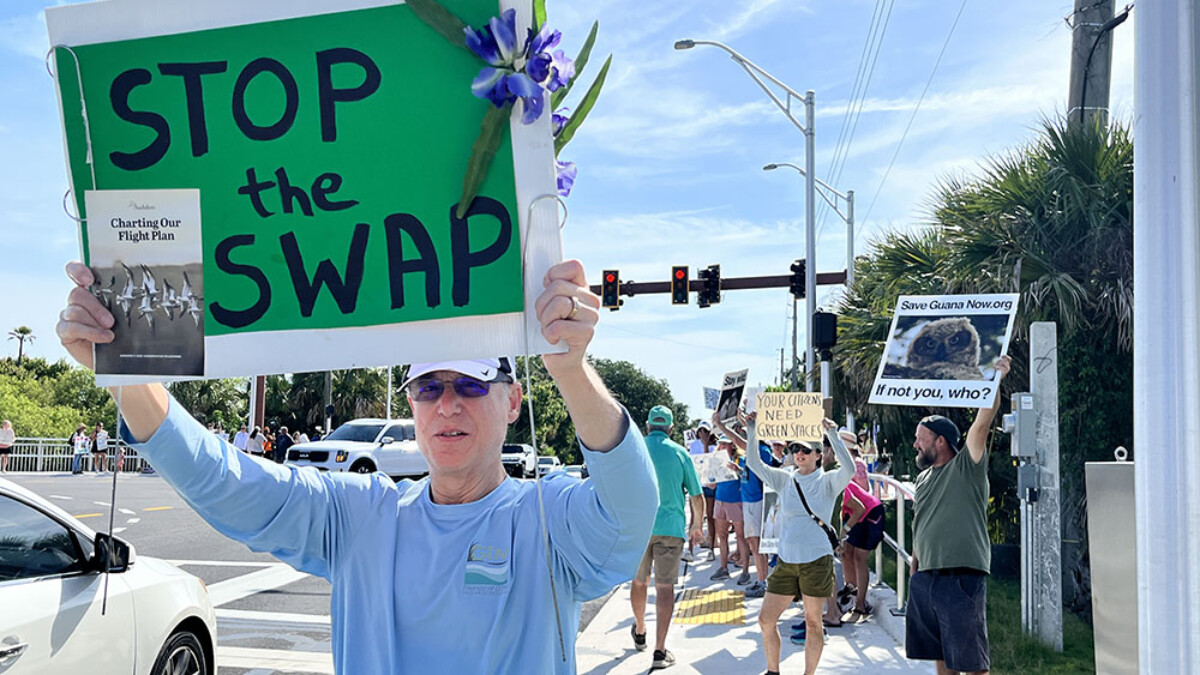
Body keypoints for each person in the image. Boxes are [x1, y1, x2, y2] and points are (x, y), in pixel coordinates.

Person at [56, 258, 657, 673]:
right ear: (412, 404)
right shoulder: (360, 514)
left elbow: (631, 511)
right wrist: (125, 371)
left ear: (512, 399)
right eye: (428, 387)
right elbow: (225, 481)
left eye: (470, 386)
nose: (447, 403)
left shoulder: (550, 517)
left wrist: (571, 368)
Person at [906, 355, 1011, 675]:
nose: (914, 445)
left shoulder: (967, 466)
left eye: (919, 438)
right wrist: (914, 569)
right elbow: (921, 525)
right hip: (926, 578)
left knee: (972, 664)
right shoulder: (923, 478)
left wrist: (996, 378)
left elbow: (982, 423)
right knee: (942, 658)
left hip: (961, 577)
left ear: (940, 440)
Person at [745, 415, 855, 675]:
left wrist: (834, 434)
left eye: (806, 449)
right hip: (786, 561)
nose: (800, 453)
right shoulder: (785, 479)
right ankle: (773, 671)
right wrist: (752, 430)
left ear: (818, 454)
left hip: (816, 562)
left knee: (813, 622)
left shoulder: (827, 482)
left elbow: (848, 469)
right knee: (766, 620)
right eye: (795, 449)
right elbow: (753, 463)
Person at [630, 405, 704, 670]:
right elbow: (696, 495)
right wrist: (697, 526)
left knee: (639, 582)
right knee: (665, 588)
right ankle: (660, 651)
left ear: (647, 426)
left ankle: (640, 630)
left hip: (638, 527)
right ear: (671, 429)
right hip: (671, 528)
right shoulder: (680, 452)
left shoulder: (635, 449)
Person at [711, 414, 773, 598]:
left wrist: (721, 425)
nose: (745, 434)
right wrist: (738, 471)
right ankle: (762, 580)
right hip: (749, 499)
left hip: (756, 500)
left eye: (749, 431)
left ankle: (763, 582)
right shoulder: (754, 450)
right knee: (754, 543)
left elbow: (737, 441)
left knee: (756, 544)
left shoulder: (761, 449)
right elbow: (750, 474)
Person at [708, 433, 745, 581]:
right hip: (720, 501)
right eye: (721, 444)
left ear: (732, 445)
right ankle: (723, 568)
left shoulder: (740, 460)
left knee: (741, 537)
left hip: (736, 502)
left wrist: (738, 470)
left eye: (726, 444)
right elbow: (712, 484)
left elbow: (748, 477)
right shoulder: (716, 461)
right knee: (722, 535)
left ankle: (745, 570)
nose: (723, 446)